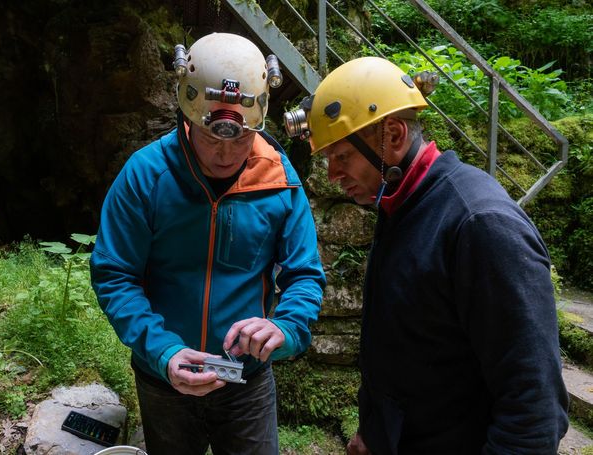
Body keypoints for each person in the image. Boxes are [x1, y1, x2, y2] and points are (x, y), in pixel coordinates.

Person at [284, 56, 569, 454]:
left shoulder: (480, 224)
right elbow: (414, 341)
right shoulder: (403, 204)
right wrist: (375, 433)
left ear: (394, 135)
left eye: (342, 156)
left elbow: (534, 411)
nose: (332, 173)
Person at [90, 32, 325, 455]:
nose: (225, 152)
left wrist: (285, 328)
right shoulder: (146, 176)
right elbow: (115, 274)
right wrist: (162, 351)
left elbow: (304, 274)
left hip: (247, 383)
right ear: (187, 116)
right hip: (164, 378)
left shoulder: (279, 181)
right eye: (211, 136)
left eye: (239, 138)